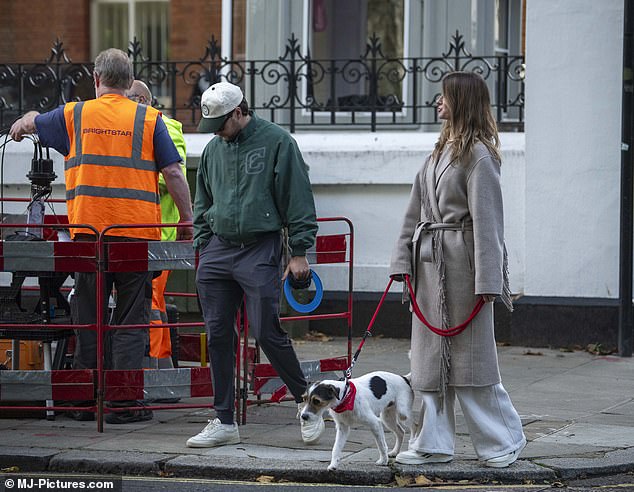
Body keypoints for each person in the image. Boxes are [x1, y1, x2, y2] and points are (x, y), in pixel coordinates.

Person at [9, 48, 193, 424]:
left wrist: (21, 122)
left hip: (88, 237)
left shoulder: (74, 115)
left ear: (96, 79)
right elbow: (173, 173)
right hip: (135, 236)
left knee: (88, 316)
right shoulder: (149, 119)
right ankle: (123, 403)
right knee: (129, 319)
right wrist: (187, 220)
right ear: (130, 83)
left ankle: (81, 402)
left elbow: (32, 124)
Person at [389, 71, 526, 467]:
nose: (438, 102)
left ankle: (505, 442)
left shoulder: (479, 156)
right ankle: (432, 444)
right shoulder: (435, 154)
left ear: (461, 101)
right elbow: (413, 213)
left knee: (472, 364)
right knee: (428, 364)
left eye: (444, 96)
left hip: (465, 270)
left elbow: (489, 223)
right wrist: (401, 263)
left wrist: (489, 281)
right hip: (430, 268)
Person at [187, 81, 323, 448]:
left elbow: (298, 197)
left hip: (260, 248)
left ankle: (307, 404)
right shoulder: (215, 149)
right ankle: (224, 420)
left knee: (266, 331)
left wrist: (298, 251)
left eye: (220, 124)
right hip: (218, 249)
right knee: (217, 335)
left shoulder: (278, 142)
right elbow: (203, 198)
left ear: (238, 112)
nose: (214, 133)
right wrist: (203, 243)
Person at [126, 79, 188, 371]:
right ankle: (154, 364)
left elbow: (173, 175)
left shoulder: (169, 129)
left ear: (142, 101)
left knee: (151, 300)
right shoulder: (132, 129)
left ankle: (158, 364)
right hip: (136, 232)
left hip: (159, 234)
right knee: (148, 301)